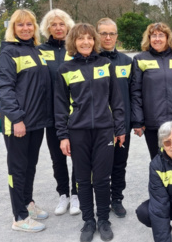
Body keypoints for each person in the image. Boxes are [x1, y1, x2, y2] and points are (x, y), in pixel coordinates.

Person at [54, 23, 126, 241]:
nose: (85, 42)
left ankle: (103, 219)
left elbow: (116, 98)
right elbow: (59, 105)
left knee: (103, 179)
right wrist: (63, 135)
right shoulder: (65, 69)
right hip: (78, 132)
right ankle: (88, 221)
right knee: (83, 180)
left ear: (94, 41)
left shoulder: (105, 64)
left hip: (105, 130)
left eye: (89, 38)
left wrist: (120, 127)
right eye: (80, 38)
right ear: (73, 42)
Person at [0, 8, 52, 232]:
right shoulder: (9, 53)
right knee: (17, 169)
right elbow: (3, 89)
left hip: (36, 122)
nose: (26, 28)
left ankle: (27, 204)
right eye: (20, 25)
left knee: (30, 166)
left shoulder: (35, 51)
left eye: (29, 24)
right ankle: (19, 216)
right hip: (18, 123)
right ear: (13, 28)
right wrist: (17, 119)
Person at [131, 22, 172, 160]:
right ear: (148, 39)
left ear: (168, 38)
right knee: (158, 161)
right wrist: (138, 121)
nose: (157, 39)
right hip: (153, 122)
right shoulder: (140, 59)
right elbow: (135, 92)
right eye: (153, 35)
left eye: (161, 35)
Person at [37, 8, 81, 216]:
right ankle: (63, 194)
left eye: (61, 24)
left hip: (76, 112)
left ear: (68, 26)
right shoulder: (39, 50)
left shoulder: (75, 49)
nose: (58, 27)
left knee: (78, 155)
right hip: (51, 114)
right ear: (48, 28)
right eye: (53, 24)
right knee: (58, 156)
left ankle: (76, 194)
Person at [96, 17, 133, 218]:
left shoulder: (127, 62)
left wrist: (135, 122)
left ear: (117, 36)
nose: (108, 37)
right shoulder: (91, 60)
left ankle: (116, 199)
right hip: (98, 126)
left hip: (122, 125)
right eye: (103, 33)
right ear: (97, 35)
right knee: (100, 167)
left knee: (119, 165)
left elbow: (134, 93)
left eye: (112, 33)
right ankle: (100, 201)